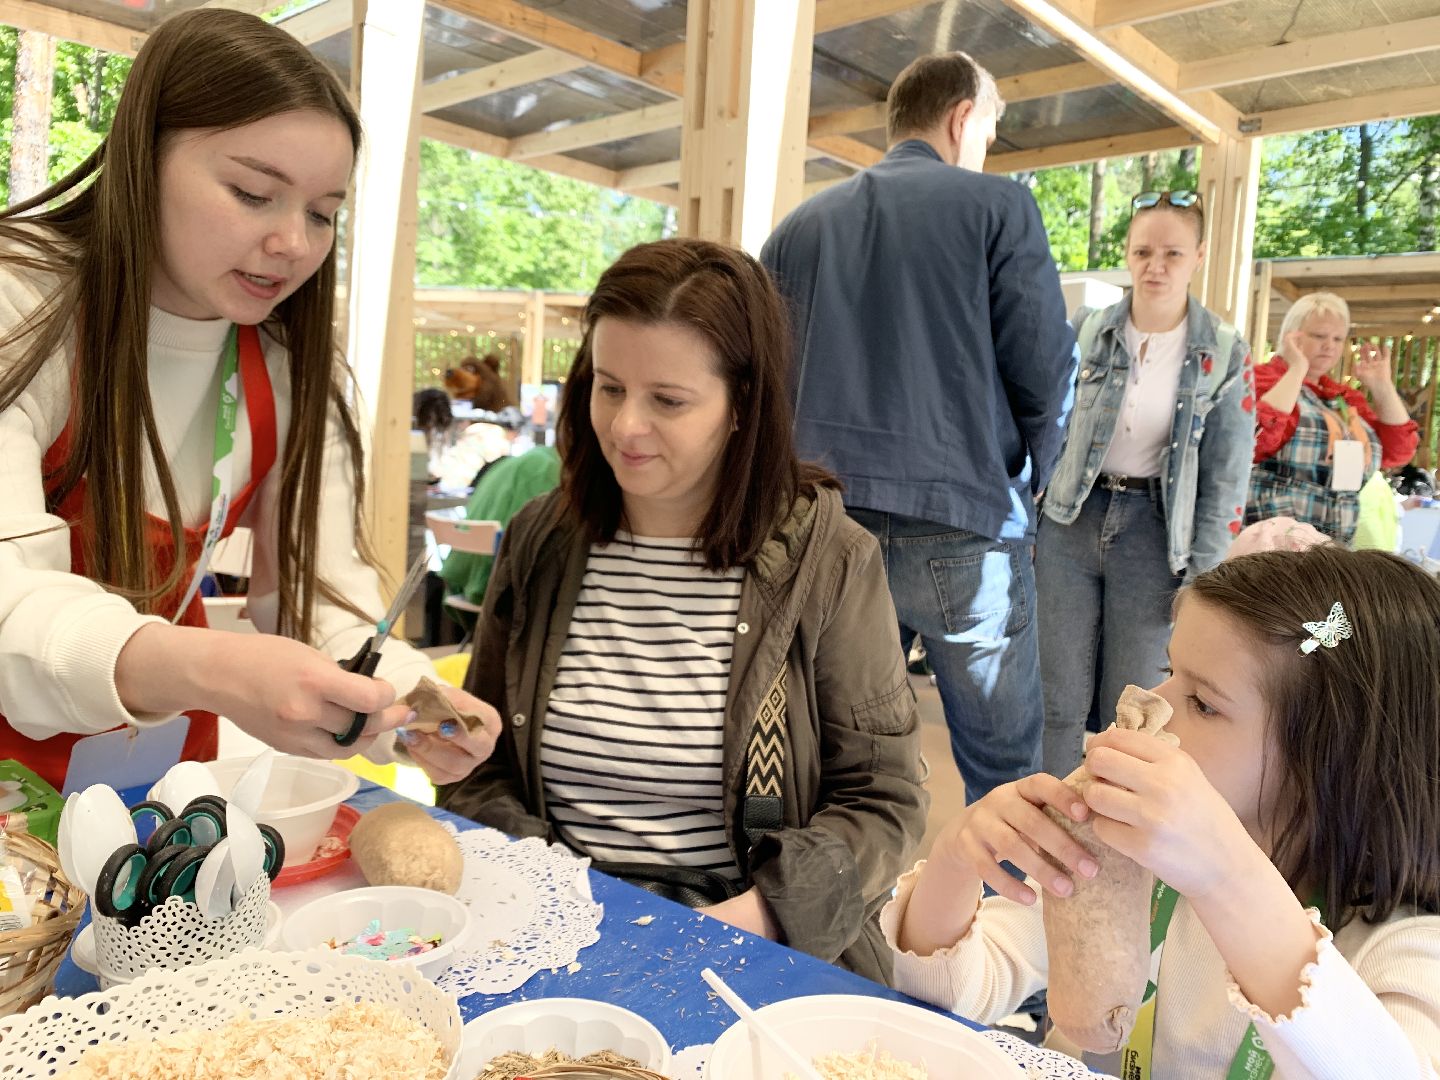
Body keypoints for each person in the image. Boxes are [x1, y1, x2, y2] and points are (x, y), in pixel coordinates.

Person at [0, 9, 497, 792]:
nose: (294, 243)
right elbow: (9, 606)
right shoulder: (20, 306)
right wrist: (210, 668)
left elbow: (317, 604)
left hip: (162, 787)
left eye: (323, 213)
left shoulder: (292, 370)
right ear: (144, 155)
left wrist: (405, 699)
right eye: (253, 192)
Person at [438, 238, 928, 983]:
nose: (626, 427)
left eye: (668, 401)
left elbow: (886, 801)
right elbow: (481, 768)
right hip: (549, 933)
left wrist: (748, 920)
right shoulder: (543, 539)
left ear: (742, 406)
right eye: (608, 388)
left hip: (748, 948)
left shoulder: (826, 559)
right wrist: (558, 897)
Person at [883, 544, 1440, 1078]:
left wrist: (1226, 875)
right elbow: (946, 999)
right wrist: (954, 863)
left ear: (1329, 757)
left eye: (1202, 702)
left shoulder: (1404, 946)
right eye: (1166, 669)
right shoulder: (1128, 858)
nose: (1150, 704)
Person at [760, 52, 1076, 805]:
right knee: (1005, 776)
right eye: (990, 130)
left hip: (825, 531)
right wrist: (1043, 491)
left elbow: (759, 380)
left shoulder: (797, 229)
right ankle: (998, 921)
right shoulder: (999, 208)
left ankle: (820, 920)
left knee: (824, 767)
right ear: (963, 117)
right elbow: (1042, 367)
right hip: (963, 527)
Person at [1035, 190, 1255, 777]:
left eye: (1172, 253)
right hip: (1070, 519)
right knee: (1054, 695)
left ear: (1199, 256)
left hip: (1156, 534)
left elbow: (1228, 473)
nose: (1156, 266)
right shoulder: (1087, 331)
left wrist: (1206, 574)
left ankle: (1109, 838)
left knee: (1135, 702)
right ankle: (1045, 825)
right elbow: (1045, 420)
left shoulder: (1224, 351)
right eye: (1142, 251)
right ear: (1128, 256)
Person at [1248, 291, 1419, 544]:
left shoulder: (1344, 398)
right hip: (1269, 538)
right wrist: (1296, 369)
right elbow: (1256, 442)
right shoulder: (1259, 379)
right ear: (1291, 335)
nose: (1329, 345)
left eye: (1338, 338)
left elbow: (1398, 452)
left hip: (1332, 542)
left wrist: (1382, 385)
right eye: (1319, 336)